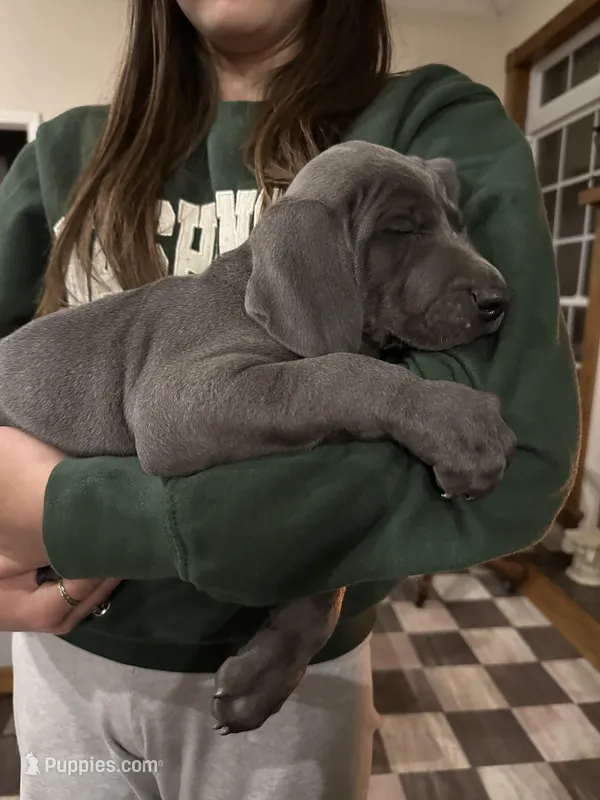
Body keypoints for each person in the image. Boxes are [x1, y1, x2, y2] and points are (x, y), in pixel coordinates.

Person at [0, 0, 580, 798]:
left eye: (446, 223)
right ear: (308, 267)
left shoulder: (435, 119)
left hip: (297, 707)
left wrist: (309, 614)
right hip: (64, 666)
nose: (475, 271)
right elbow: (173, 424)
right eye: (401, 233)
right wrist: (385, 394)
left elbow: (519, 457)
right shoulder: (72, 156)